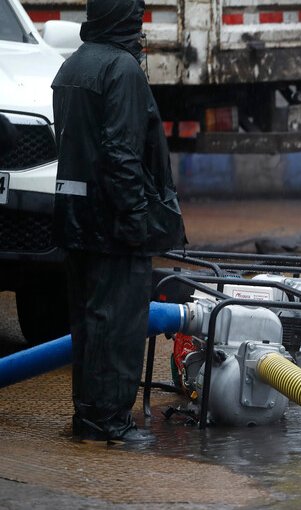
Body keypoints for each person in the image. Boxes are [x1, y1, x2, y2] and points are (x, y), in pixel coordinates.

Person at [51, 0, 186, 444]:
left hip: (75, 222)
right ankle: (111, 423)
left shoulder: (72, 67)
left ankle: (87, 417)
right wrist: (139, 218)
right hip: (114, 228)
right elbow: (121, 155)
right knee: (119, 327)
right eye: (137, 16)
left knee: (88, 326)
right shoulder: (122, 70)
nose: (141, 26)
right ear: (125, 18)